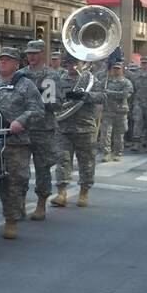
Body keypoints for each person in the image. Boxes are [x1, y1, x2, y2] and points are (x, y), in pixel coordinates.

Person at [0, 47, 45, 239]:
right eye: (1, 59)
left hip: (16, 142)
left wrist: (20, 121)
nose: (3, 62)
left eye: (8, 60)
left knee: (14, 182)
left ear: (16, 64)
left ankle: (11, 220)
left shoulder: (25, 84)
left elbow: (38, 110)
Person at [17, 38, 61, 221]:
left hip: (43, 128)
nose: (31, 56)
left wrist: (40, 96)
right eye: (29, 53)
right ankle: (18, 203)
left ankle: (41, 203)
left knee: (42, 168)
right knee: (19, 169)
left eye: (35, 53)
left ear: (43, 54)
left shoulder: (51, 75)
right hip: (23, 129)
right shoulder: (19, 75)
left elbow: (57, 103)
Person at [53, 56, 107, 208]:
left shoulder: (89, 79)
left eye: (75, 63)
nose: (72, 66)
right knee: (62, 160)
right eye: (69, 63)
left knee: (86, 162)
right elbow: (52, 98)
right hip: (63, 127)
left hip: (85, 128)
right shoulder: (59, 79)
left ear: (81, 64)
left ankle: (84, 192)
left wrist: (85, 96)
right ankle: (61, 192)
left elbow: (103, 96)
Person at [99, 61, 133, 160]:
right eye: (114, 68)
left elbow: (125, 94)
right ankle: (106, 153)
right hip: (107, 111)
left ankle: (118, 152)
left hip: (120, 111)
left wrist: (109, 93)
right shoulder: (105, 82)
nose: (116, 70)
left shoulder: (126, 82)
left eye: (118, 68)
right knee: (106, 133)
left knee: (119, 134)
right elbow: (98, 91)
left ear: (122, 70)